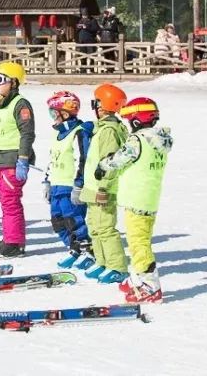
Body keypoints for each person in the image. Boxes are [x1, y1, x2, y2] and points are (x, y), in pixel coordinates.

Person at [97, 97, 172, 303]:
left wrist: (103, 164)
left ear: (137, 121)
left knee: (139, 244)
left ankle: (150, 286)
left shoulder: (137, 140)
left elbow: (121, 157)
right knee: (141, 239)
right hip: (149, 198)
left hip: (136, 199)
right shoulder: (160, 141)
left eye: (130, 121)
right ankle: (139, 278)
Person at [80, 83, 129, 284]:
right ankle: (102, 261)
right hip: (92, 187)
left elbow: (110, 161)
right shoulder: (102, 129)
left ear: (103, 106)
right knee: (94, 227)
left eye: (95, 103)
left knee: (106, 228)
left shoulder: (109, 131)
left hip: (102, 188)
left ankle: (117, 267)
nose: (94, 107)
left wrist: (104, 187)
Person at [43, 91, 95, 269]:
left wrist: (79, 184)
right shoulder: (58, 134)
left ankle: (86, 249)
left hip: (71, 187)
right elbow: (53, 159)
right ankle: (75, 248)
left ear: (64, 113)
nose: (52, 117)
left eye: (53, 113)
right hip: (57, 186)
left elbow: (84, 159)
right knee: (58, 221)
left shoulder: (79, 133)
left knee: (74, 220)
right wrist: (47, 181)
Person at [0, 62, 36, 258]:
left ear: (14, 82)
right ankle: (9, 238)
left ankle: (15, 243)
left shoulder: (21, 104)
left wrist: (23, 159)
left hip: (12, 160)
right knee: (4, 202)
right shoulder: (1, 105)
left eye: (0, 80)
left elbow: (27, 133)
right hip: (0, 159)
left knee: (11, 202)